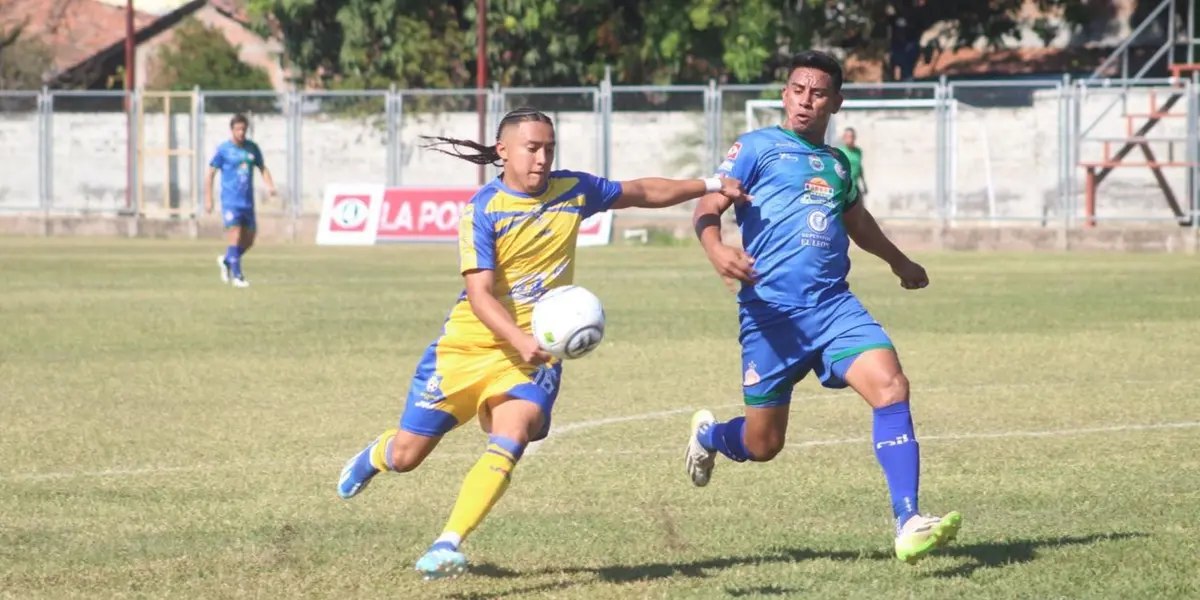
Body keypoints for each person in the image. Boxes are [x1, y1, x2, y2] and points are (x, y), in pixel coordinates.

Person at [336, 107, 749, 580]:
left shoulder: (572, 191)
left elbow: (640, 192)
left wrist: (711, 185)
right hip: (468, 348)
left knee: (511, 435)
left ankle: (447, 543)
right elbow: (480, 294)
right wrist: (517, 336)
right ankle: (375, 455)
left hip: (531, 358)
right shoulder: (482, 210)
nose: (542, 158)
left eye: (549, 148)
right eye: (532, 148)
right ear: (503, 151)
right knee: (406, 456)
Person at [683, 51, 962, 565]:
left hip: (834, 307)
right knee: (764, 444)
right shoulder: (756, 148)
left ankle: (908, 521)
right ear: (785, 94)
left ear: (836, 101)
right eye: (796, 90)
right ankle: (711, 435)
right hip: (770, 316)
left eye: (816, 93)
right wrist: (718, 249)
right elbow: (707, 206)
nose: (804, 101)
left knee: (891, 385)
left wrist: (900, 262)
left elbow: (857, 222)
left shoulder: (836, 164)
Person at [205, 113, 276, 288]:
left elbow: (262, 167)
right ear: (232, 130)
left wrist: (270, 185)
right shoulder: (223, 150)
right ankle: (238, 277)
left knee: (249, 240)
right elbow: (210, 174)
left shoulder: (252, 149)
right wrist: (209, 198)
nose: (241, 132)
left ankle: (227, 260)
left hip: (247, 202)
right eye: (238, 129)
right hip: (230, 201)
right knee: (235, 234)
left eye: (244, 129)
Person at [838, 127, 868, 203]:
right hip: (844, 187)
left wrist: (864, 184)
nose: (850, 139)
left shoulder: (858, 152)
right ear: (844, 138)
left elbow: (859, 168)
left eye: (852, 137)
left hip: (855, 186)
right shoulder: (840, 152)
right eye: (847, 137)